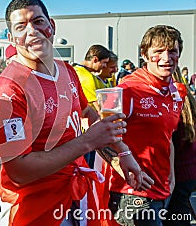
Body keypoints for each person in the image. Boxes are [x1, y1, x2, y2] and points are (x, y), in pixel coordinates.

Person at [0, 0, 151, 226]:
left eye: (38, 21)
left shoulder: (66, 71)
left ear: (51, 25)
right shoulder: (9, 91)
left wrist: (122, 154)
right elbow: (19, 170)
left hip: (75, 195)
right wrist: (87, 142)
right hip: (33, 207)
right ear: (12, 38)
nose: (32, 31)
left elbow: (89, 116)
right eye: (21, 27)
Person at [108, 25, 185, 226]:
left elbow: (167, 138)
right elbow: (97, 135)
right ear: (144, 54)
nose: (166, 58)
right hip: (132, 194)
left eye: (172, 51)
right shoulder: (124, 89)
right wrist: (120, 165)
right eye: (158, 52)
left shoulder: (176, 93)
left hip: (163, 191)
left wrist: (172, 177)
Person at [164, 67, 196, 226]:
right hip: (190, 167)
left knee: (176, 216)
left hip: (178, 171)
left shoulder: (172, 99)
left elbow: (170, 139)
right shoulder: (189, 98)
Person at [74, 44, 111, 111]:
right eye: (104, 62)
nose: (105, 66)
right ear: (95, 59)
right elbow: (97, 106)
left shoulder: (75, 70)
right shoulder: (87, 77)